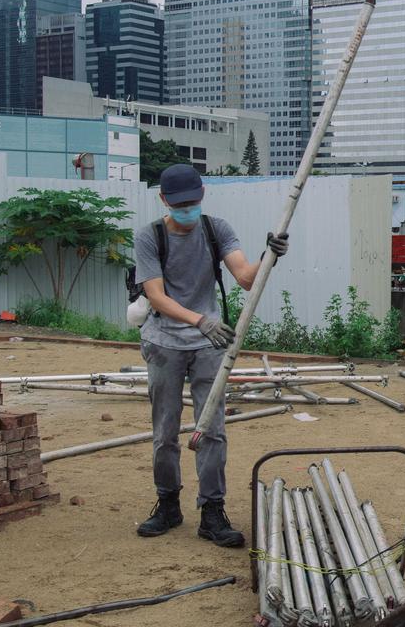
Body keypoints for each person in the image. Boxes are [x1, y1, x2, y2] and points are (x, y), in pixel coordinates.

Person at [133, 163, 289, 548]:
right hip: (165, 342)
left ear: (202, 195)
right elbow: (155, 295)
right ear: (164, 200)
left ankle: (212, 510)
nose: (188, 210)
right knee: (165, 431)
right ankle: (168, 503)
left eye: (193, 202)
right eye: (180, 204)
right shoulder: (149, 237)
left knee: (213, 430)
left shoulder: (216, 229)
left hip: (209, 345)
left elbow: (245, 276)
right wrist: (198, 320)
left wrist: (270, 255)